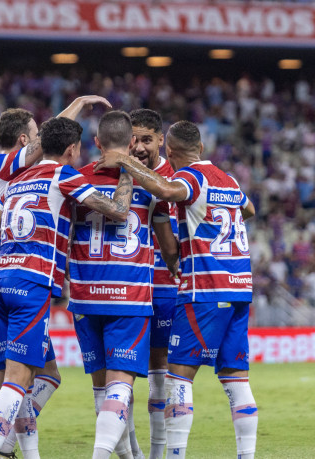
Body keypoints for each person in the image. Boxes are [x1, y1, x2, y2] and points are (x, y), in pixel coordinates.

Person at [0, 114, 134, 459]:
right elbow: (118, 211)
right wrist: (127, 170)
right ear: (72, 149)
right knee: (17, 380)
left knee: (25, 378)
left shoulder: (17, 181)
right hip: (31, 283)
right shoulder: (64, 175)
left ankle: (24, 453)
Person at [96, 120, 258, 459]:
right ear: (201, 146)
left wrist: (124, 160)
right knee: (237, 381)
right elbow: (249, 209)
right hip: (240, 287)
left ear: (168, 150)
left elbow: (168, 191)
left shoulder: (191, 177)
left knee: (178, 378)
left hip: (205, 289)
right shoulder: (228, 179)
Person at [68, 110, 178, 459]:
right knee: (121, 385)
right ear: (131, 142)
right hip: (130, 296)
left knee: (101, 387)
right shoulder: (152, 185)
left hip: (85, 297)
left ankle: (132, 457)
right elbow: (168, 246)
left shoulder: (75, 181)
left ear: (96, 142)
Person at [129, 108, 180, 459]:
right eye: (133, 140)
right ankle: (131, 451)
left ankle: (157, 454)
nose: (139, 147)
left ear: (161, 139)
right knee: (120, 376)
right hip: (126, 289)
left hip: (163, 287)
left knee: (159, 371)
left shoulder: (177, 179)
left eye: (147, 139)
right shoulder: (119, 175)